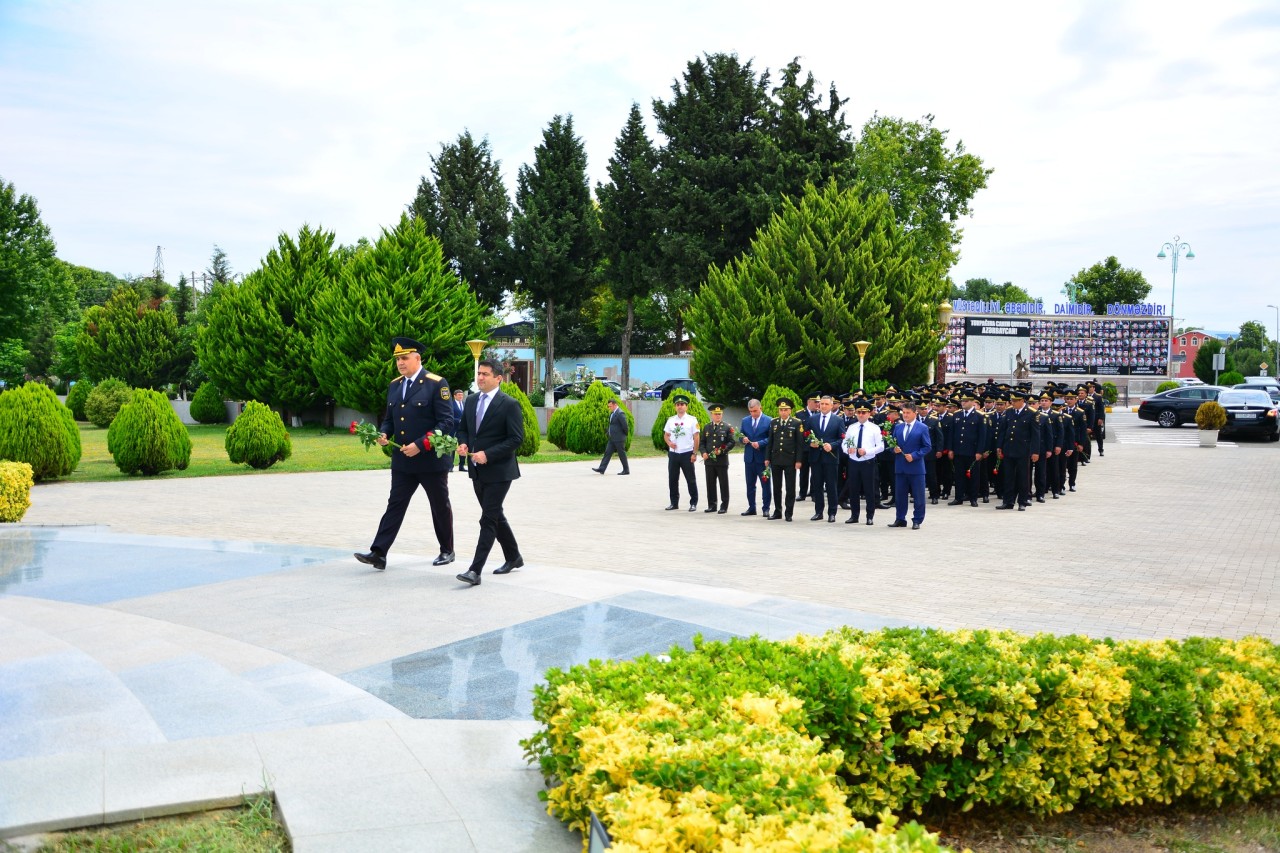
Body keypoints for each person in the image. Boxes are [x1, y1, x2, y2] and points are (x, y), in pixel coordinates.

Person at [356, 337, 455, 571]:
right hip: (402, 460)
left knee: (439, 505)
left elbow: (447, 421)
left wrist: (421, 444)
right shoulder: (395, 385)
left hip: (430, 460)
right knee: (395, 504)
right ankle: (379, 552)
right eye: (398, 359)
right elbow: (390, 419)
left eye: (404, 358)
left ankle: (447, 550)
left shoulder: (436, 383)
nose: (400, 363)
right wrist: (382, 433)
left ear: (417, 358)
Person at [454, 359, 526, 586]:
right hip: (477, 470)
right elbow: (464, 429)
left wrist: (489, 454)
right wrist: (463, 444)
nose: (480, 378)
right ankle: (514, 557)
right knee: (495, 515)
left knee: (487, 518)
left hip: (500, 471)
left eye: (485, 374)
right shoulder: (472, 400)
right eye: (479, 374)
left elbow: (516, 439)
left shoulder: (509, 404)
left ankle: (475, 571)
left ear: (499, 378)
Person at [996, 390, 1040, 511]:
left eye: (1015, 401)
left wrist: (1035, 452)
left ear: (1022, 401)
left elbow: (1036, 435)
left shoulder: (1032, 413)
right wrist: (999, 447)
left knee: (1023, 477)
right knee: (1008, 476)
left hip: (1023, 450)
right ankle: (1008, 501)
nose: (1012, 403)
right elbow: (1002, 431)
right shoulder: (1009, 411)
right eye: (1012, 401)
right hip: (1009, 448)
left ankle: (1022, 501)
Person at [890, 401, 931, 529]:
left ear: (915, 413)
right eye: (904, 413)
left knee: (918, 496)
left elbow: (927, 447)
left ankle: (917, 519)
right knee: (900, 495)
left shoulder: (922, 427)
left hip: (916, 467)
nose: (905, 415)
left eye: (908, 413)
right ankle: (900, 518)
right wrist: (893, 449)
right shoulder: (898, 427)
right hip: (900, 467)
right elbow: (892, 443)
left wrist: (914, 455)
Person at [843, 401, 884, 525]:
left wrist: (867, 451)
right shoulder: (852, 427)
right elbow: (845, 442)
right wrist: (847, 449)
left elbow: (881, 446)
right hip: (854, 461)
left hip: (868, 461)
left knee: (869, 490)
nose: (861, 415)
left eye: (863, 412)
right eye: (859, 412)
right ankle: (854, 515)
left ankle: (870, 516)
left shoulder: (874, 428)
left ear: (869, 413)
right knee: (854, 489)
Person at [764, 398, 804, 521]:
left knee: (790, 488)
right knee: (776, 487)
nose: (783, 412)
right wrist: (767, 458)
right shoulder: (774, 422)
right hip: (776, 459)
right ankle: (777, 511)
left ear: (790, 410)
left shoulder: (797, 423)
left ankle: (789, 512)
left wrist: (798, 460)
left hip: (790, 460)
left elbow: (799, 444)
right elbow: (770, 441)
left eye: (785, 410)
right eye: (781, 410)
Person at [946, 391, 987, 507]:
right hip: (959, 450)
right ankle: (958, 497)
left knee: (974, 476)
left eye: (966, 401)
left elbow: (982, 436)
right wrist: (950, 449)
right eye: (962, 401)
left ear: (973, 402)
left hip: (972, 451)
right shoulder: (957, 415)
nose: (963, 403)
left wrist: (979, 451)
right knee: (959, 475)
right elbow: (952, 434)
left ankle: (973, 498)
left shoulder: (979, 416)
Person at [806, 395, 843, 523]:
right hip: (816, 458)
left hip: (830, 458)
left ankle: (832, 512)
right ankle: (818, 512)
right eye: (821, 404)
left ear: (832, 405)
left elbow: (842, 438)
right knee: (817, 485)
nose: (823, 406)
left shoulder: (838, 420)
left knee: (831, 486)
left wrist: (832, 446)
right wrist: (810, 442)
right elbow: (805, 435)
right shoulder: (812, 419)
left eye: (826, 404)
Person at [663, 395, 700, 511]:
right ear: (675, 407)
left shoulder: (692, 420)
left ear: (686, 407)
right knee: (673, 479)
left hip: (687, 453)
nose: (680, 407)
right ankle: (674, 503)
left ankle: (693, 503)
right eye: (678, 405)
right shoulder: (671, 420)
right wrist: (669, 443)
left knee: (690, 479)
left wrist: (694, 453)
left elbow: (696, 437)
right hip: (674, 454)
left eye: (682, 405)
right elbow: (666, 435)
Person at [699, 404, 735, 513]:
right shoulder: (707, 427)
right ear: (712, 415)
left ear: (722, 414)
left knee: (723, 484)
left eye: (719, 414)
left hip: (721, 460)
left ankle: (724, 506)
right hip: (709, 461)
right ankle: (712, 505)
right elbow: (702, 442)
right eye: (715, 414)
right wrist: (703, 452)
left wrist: (722, 450)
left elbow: (731, 442)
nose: (718, 416)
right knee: (710, 483)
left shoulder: (727, 427)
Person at [738, 399, 771, 517]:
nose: (753, 414)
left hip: (763, 458)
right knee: (750, 485)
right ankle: (752, 507)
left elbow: (771, 439)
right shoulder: (745, 420)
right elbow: (740, 435)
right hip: (749, 458)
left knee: (765, 484)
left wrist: (760, 443)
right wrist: (743, 439)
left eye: (755, 411)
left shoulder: (768, 420)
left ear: (760, 408)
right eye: (751, 411)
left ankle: (766, 508)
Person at [592, 398, 630, 475]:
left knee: (621, 454)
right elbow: (612, 425)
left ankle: (626, 470)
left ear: (615, 405)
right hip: (612, 438)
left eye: (610, 406)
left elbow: (625, 426)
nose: (609, 408)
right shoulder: (612, 413)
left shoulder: (620, 413)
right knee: (607, 453)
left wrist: (624, 435)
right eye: (608, 406)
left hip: (619, 438)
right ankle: (602, 469)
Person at [452, 388, 468, 472]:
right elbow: (449, 416)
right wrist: (458, 420)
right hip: (453, 429)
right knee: (452, 447)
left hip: (463, 430)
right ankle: (450, 466)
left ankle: (461, 466)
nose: (461, 396)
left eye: (462, 395)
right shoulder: (451, 404)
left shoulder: (465, 404)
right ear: (454, 396)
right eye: (459, 395)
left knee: (463, 447)